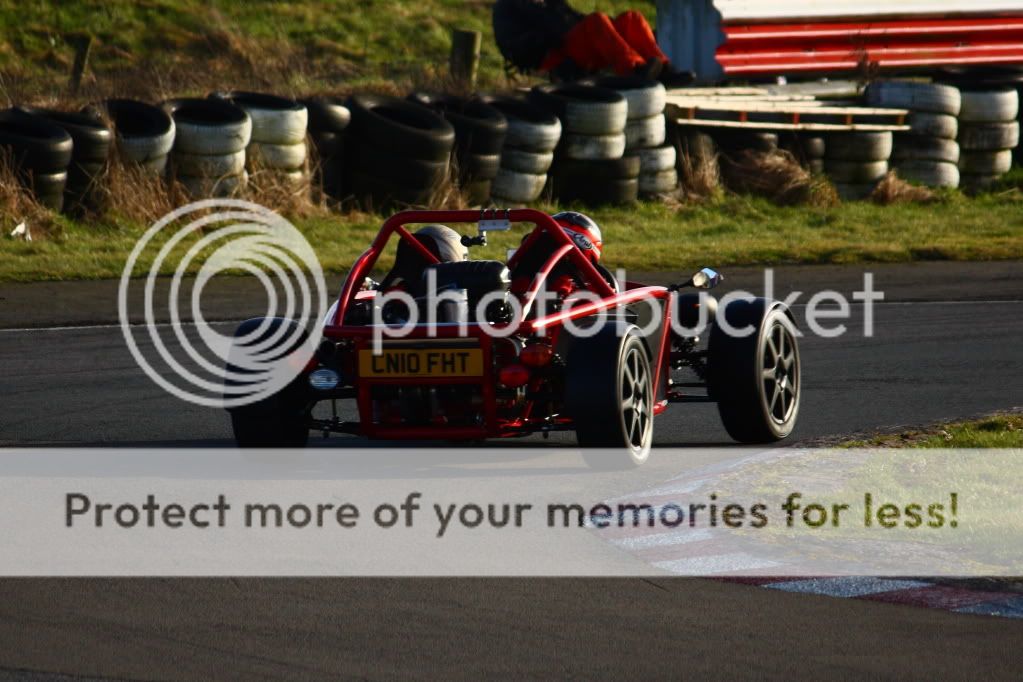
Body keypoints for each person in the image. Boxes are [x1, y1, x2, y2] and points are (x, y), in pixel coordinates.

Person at [493, 0, 693, 85]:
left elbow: (570, 16)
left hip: (574, 43)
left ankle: (662, 67)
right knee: (596, 21)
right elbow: (511, 46)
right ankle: (633, 70)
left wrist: (608, 27)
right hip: (555, 57)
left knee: (632, 19)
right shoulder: (508, 6)